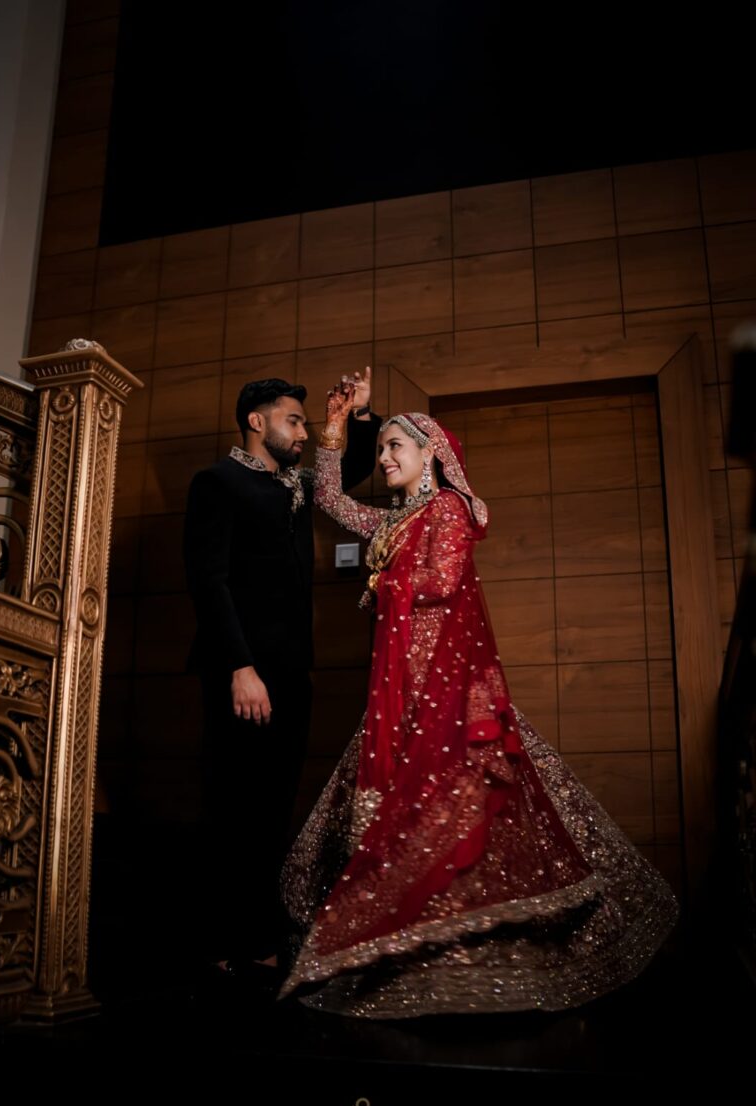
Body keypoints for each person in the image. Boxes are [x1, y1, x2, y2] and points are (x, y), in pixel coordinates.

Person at [280, 384, 679, 1017]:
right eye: (380, 448)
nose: (384, 458)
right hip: (397, 687)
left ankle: (467, 945)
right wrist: (335, 427)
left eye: (394, 446)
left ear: (431, 451)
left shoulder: (450, 510)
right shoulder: (390, 519)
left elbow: (441, 579)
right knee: (398, 808)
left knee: (462, 807)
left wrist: (384, 579)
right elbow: (328, 497)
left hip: (445, 687)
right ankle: (411, 947)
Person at [183, 371, 379, 983]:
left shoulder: (295, 483)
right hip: (242, 671)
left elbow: (349, 473)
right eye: (294, 421)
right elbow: (208, 580)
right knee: (231, 807)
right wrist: (241, 667)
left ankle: (262, 939)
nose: (304, 431)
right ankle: (218, 942)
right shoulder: (218, 483)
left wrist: (362, 418)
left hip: (294, 673)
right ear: (257, 422)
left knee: (272, 809)